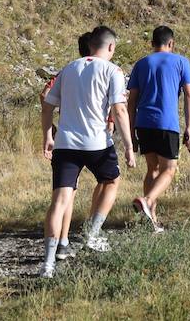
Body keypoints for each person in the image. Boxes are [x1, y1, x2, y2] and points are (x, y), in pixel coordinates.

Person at [40, 26, 134, 278]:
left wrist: (48, 136)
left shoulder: (69, 68)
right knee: (111, 180)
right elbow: (120, 110)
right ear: (111, 47)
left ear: (90, 45)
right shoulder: (113, 70)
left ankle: (48, 264)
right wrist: (128, 146)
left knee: (59, 201)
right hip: (96, 144)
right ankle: (92, 233)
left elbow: (47, 103)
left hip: (66, 144)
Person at [126, 25, 190, 234]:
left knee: (152, 170)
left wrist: (131, 133)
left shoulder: (141, 64)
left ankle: (152, 221)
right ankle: (147, 201)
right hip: (166, 123)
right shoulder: (181, 62)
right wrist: (189, 127)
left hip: (143, 123)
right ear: (171, 43)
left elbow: (131, 102)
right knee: (169, 169)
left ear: (152, 44)